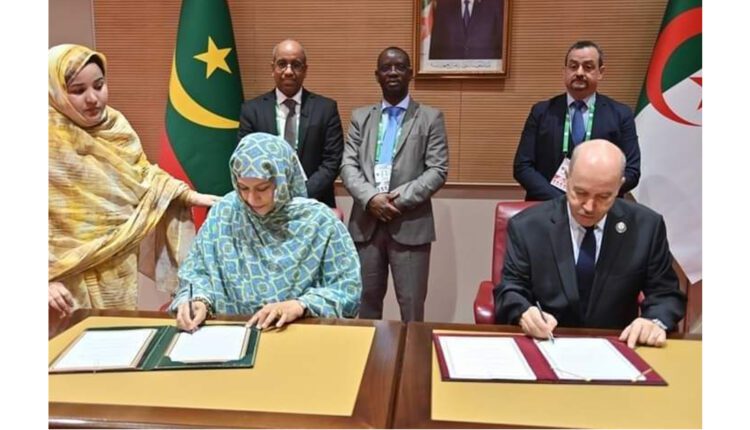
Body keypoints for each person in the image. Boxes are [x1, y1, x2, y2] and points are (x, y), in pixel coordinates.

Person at [48, 44, 220, 316]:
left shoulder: (115, 125)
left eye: (99, 86)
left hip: (118, 262)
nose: (93, 98)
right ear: (54, 91)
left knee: (116, 334)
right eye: (78, 91)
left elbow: (142, 175)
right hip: (61, 278)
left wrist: (187, 195)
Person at [494, 139, 686, 348]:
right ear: (567, 178)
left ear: (619, 186)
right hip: (548, 343)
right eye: (581, 193)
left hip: (619, 345)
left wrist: (653, 322)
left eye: (604, 196)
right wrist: (524, 312)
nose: (589, 206)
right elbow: (510, 289)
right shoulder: (528, 226)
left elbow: (666, 294)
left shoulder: (646, 227)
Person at [172, 133, 362, 332]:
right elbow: (196, 272)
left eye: (262, 188)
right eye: (243, 188)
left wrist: (301, 305)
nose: (251, 199)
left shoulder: (320, 222)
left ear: (283, 181)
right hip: (232, 332)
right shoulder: (225, 213)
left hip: (296, 332)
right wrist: (199, 300)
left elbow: (347, 290)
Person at [340, 47, 448, 322]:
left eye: (400, 67)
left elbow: (437, 170)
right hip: (366, 224)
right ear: (377, 75)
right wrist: (371, 198)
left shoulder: (430, 117)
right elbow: (348, 166)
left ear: (410, 73)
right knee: (365, 304)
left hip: (410, 223)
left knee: (412, 307)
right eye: (386, 68)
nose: (393, 72)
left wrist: (395, 200)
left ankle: (412, 353)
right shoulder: (360, 117)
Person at [513, 40, 641, 201]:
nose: (579, 72)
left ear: (600, 72)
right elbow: (522, 167)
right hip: (547, 206)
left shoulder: (621, 114)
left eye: (588, 67)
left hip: (600, 207)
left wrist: (593, 196)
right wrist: (562, 201)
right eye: (573, 66)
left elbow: (631, 171)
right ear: (565, 71)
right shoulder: (541, 112)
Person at [237, 39, 343, 208]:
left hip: (314, 203)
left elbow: (332, 161)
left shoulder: (326, 109)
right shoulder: (252, 111)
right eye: (282, 64)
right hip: (265, 206)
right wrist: (271, 195)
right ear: (272, 68)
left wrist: (301, 194)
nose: (288, 71)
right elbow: (246, 159)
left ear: (305, 70)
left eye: (296, 65)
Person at [429, 0, 504, 60]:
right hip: (450, 72)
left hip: (484, 72)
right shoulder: (443, 4)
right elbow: (435, 46)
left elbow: (501, 45)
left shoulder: (496, 3)